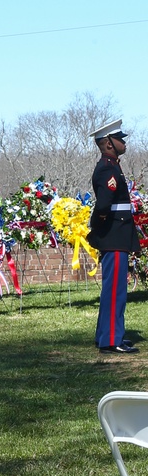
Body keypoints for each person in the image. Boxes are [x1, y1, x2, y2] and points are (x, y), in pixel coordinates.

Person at [88, 118, 140, 354]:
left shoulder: (113, 166)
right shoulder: (108, 169)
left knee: (115, 289)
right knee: (115, 290)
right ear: (108, 143)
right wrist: (98, 230)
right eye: (119, 139)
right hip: (114, 235)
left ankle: (107, 335)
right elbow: (103, 206)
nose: (123, 142)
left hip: (117, 234)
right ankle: (111, 340)